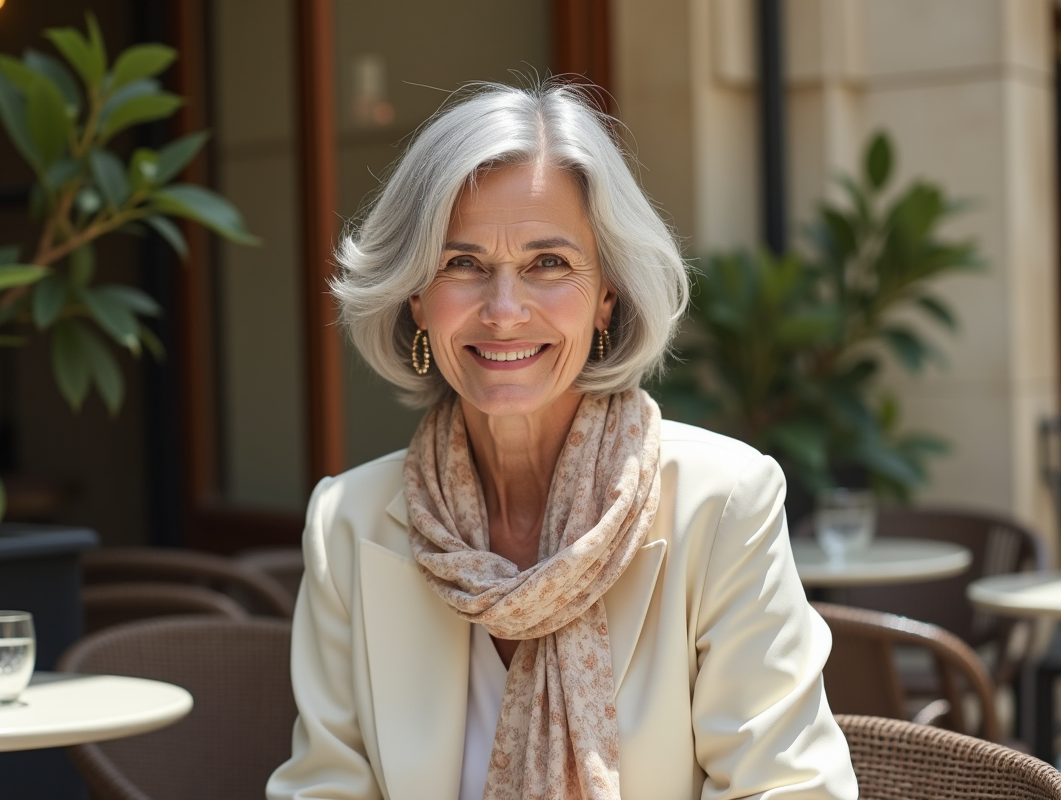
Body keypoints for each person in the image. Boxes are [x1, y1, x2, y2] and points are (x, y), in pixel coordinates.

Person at [267, 82, 857, 800]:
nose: (505, 310)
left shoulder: (722, 503)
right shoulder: (347, 522)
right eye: (462, 265)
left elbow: (790, 788)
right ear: (415, 298)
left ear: (606, 291)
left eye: (548, 264)